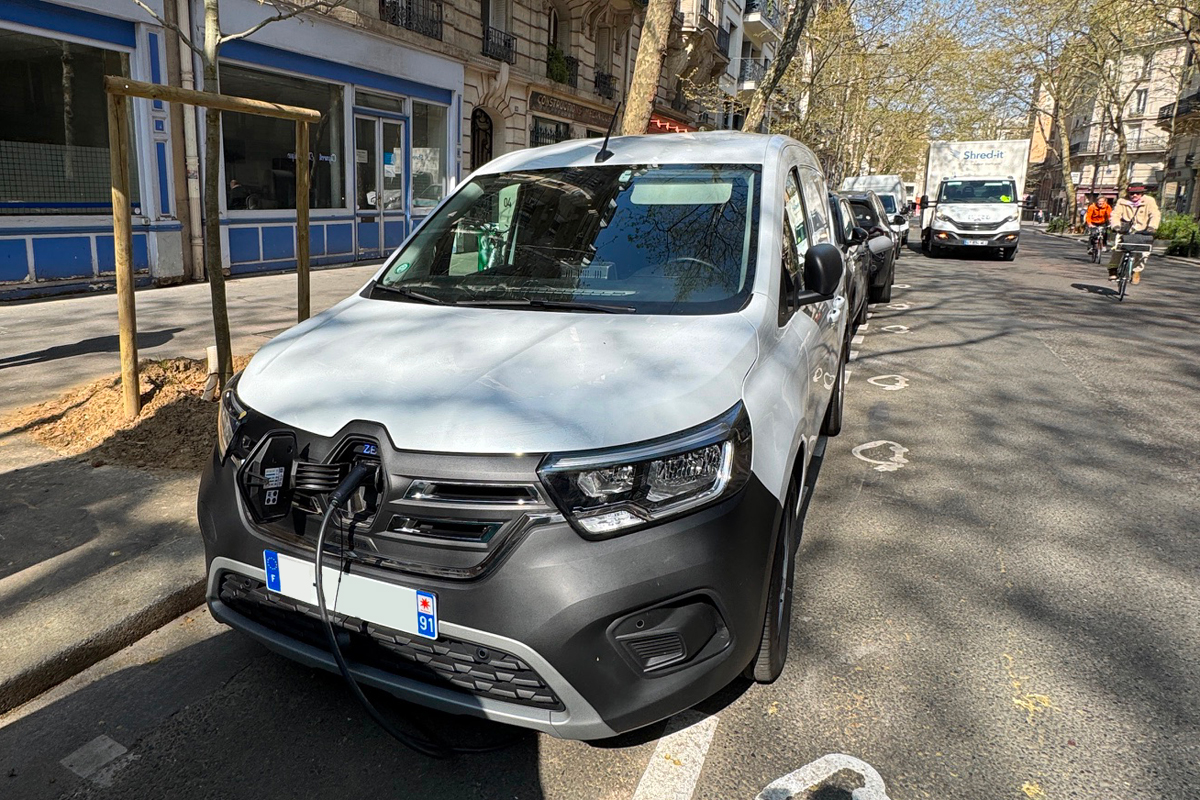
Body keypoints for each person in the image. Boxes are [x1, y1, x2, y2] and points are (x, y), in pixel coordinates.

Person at [1108, 183, 1161, 284]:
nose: (1134, 195)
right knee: (1118, 248)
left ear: (1142, 193)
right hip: (1125, 230)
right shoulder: (1122, 201)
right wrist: (1116, 225)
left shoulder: (1149, 201)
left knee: (1144, 253)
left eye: (1137, 193)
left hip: (1143, 230)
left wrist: (1152, 227)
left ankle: (1136, 271)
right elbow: (1115, 215)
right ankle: (1113, 269)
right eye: (1132, 193)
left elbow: (1155, 214)